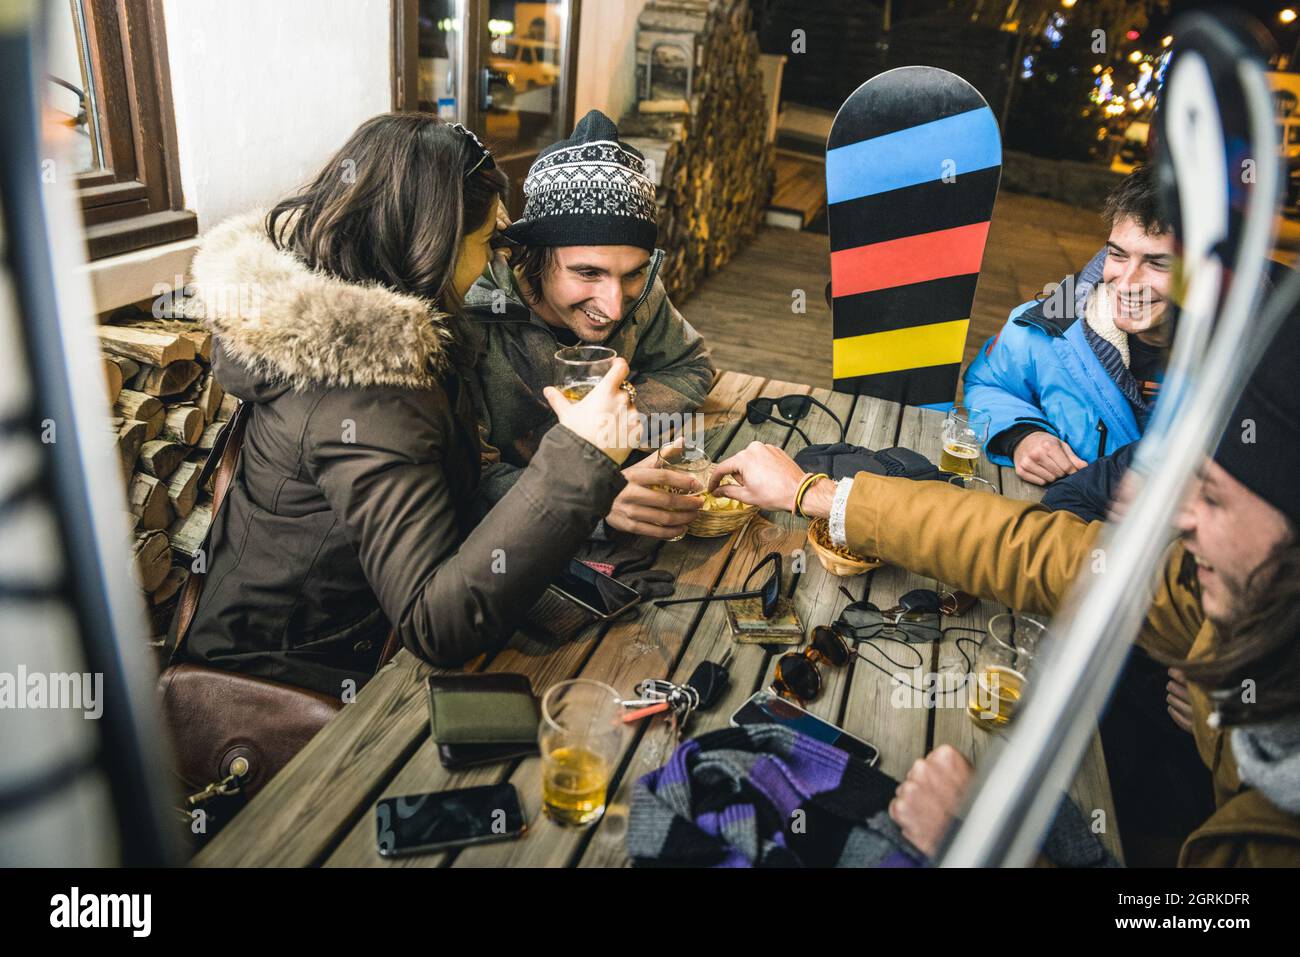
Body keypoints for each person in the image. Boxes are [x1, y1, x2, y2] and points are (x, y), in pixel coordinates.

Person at [706, 308, 1300, 866]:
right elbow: (1037, 552)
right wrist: (817, 493)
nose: (1179, 518)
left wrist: (990, 843)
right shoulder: (1236, 589)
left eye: (1215, 498)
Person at [178, 114, 641, 697]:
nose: (495, 263)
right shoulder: (368, 392)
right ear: (436, 246)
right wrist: (580, 459)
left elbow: (442, 497)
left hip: (355, 648)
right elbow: (435, 625)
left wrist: (596, 490)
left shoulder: (368, 330)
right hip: (286, 691)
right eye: (486, 243)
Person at [464, 110, 716, 540]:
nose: (615, 307)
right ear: (535, 254)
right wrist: (588, 497)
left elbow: (692, 366)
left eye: (632, 272)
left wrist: (620, 422)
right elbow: (470, 478)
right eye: (588, 273)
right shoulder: (474, 315)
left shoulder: (642, 293)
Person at [963, 165, 1174, 486]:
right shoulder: (1046, 325)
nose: (1127, 283)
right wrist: (1022, 435)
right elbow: (988, 384)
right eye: (1117, 255)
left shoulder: (1264, 357)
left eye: (1158, 263)